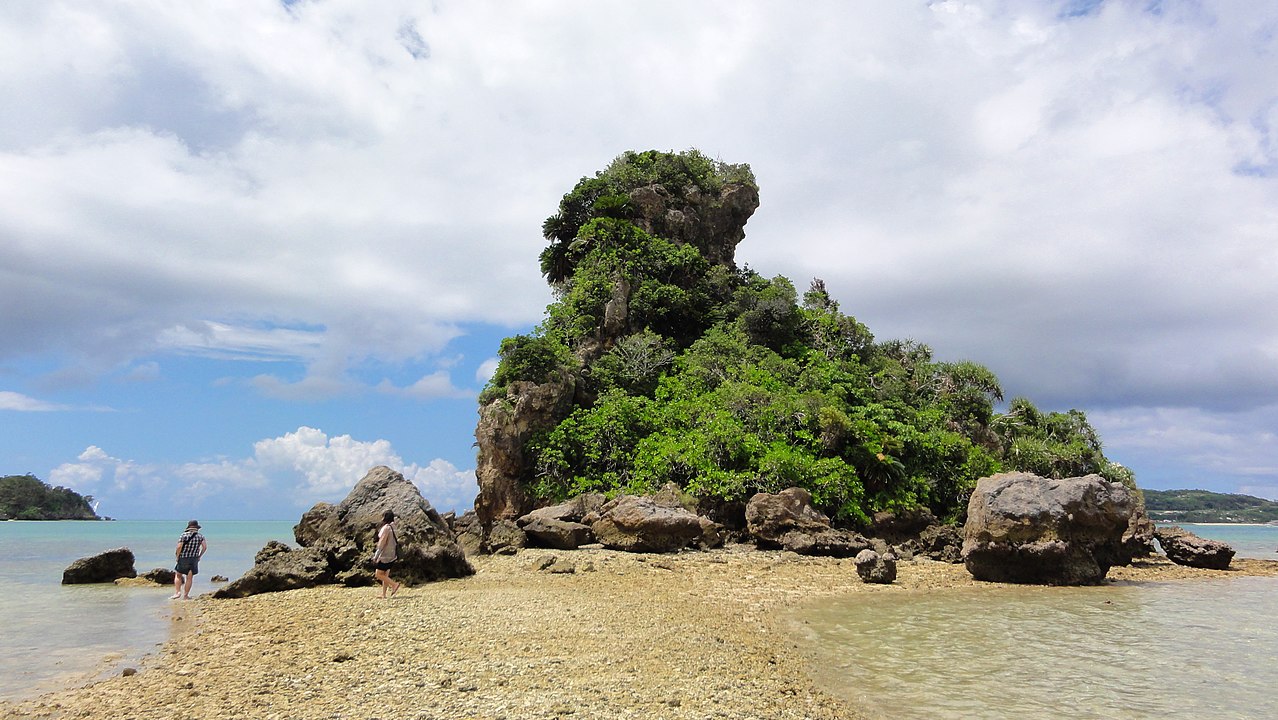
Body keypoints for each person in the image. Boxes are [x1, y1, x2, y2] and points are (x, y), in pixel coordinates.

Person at [172, 519, 207, 600]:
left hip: (183, 557)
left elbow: (179, 547)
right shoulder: (200, 536)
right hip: (194, 558)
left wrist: (177, 556)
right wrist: (199, 556)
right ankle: (186, 595)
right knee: (189, 577)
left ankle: (177, 593)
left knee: (178, 575)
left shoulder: (183, 535)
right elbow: (205, 547)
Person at [373, 509, 401, 599]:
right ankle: (384, 594)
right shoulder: (394, 527)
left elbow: (382, 543)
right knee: (386, 575)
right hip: (393, 554)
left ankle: (394, 584)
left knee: (378, 574)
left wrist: (376, 555)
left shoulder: (386, 528)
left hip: (385, 555)